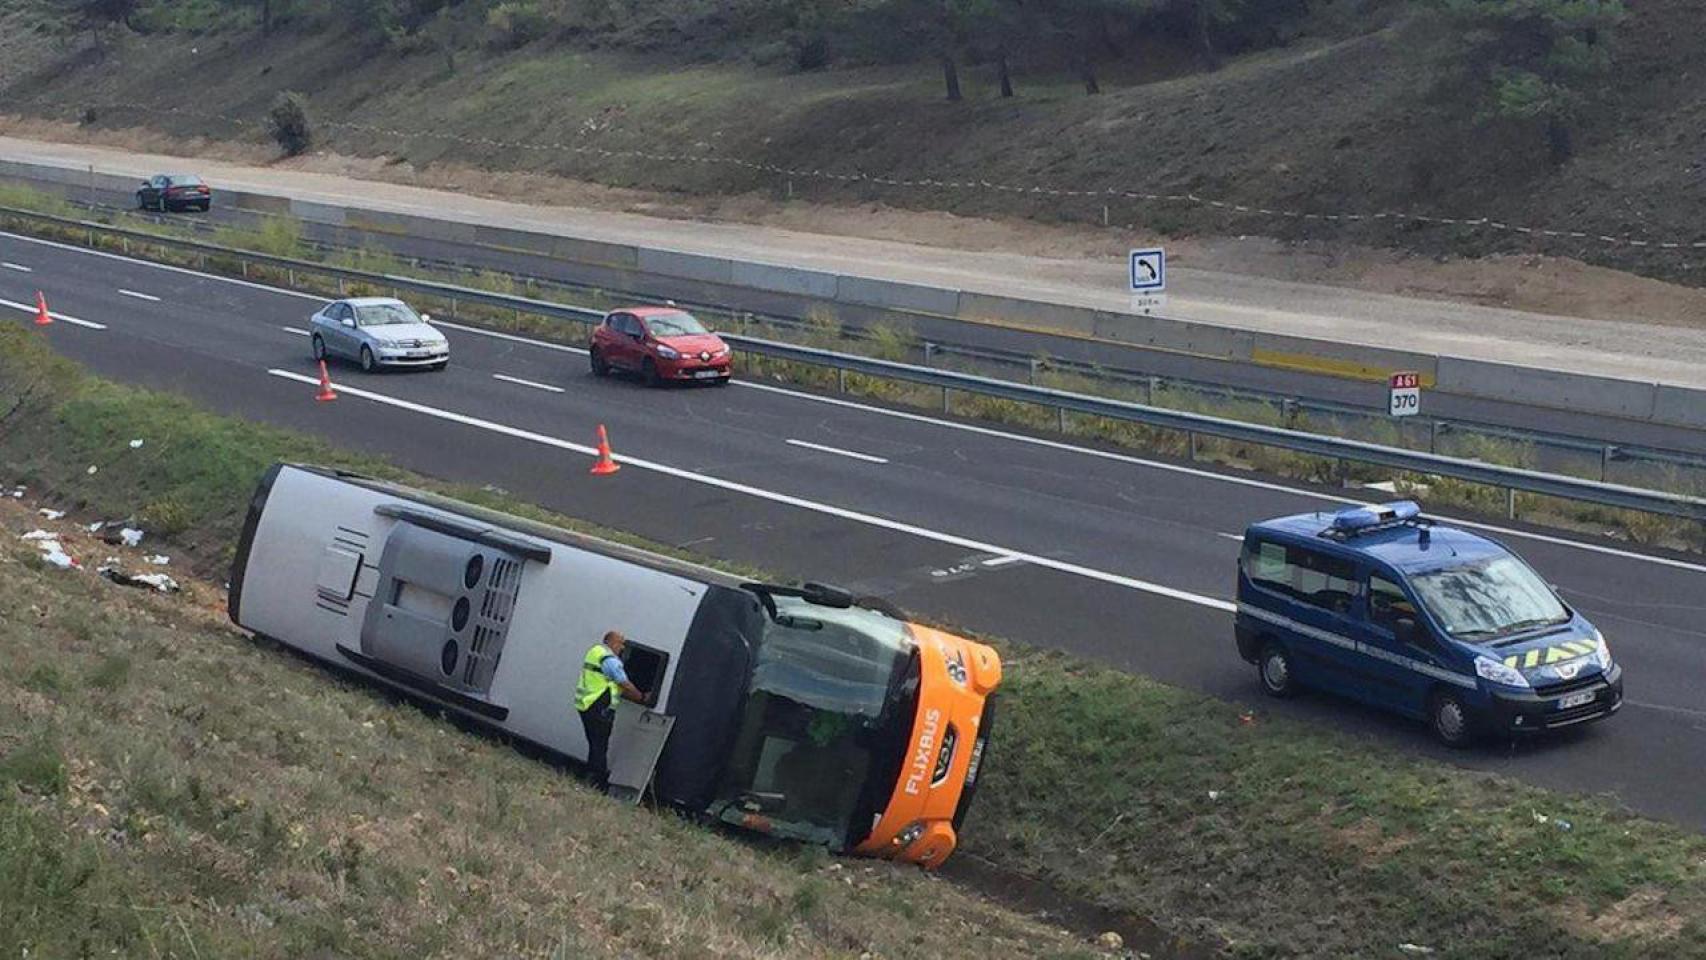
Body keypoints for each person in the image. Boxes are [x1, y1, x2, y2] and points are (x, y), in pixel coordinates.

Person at [575, 630, 647, 790]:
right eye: (620, 643)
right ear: (610, 642)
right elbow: (624, 683)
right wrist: (641, 697)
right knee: (600, 745)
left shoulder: (595, 652)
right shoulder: (610, 660)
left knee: (594, 743)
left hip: (585, 705)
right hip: (599, 707)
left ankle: (591, 777)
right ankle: (597, 782)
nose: (622, 647)